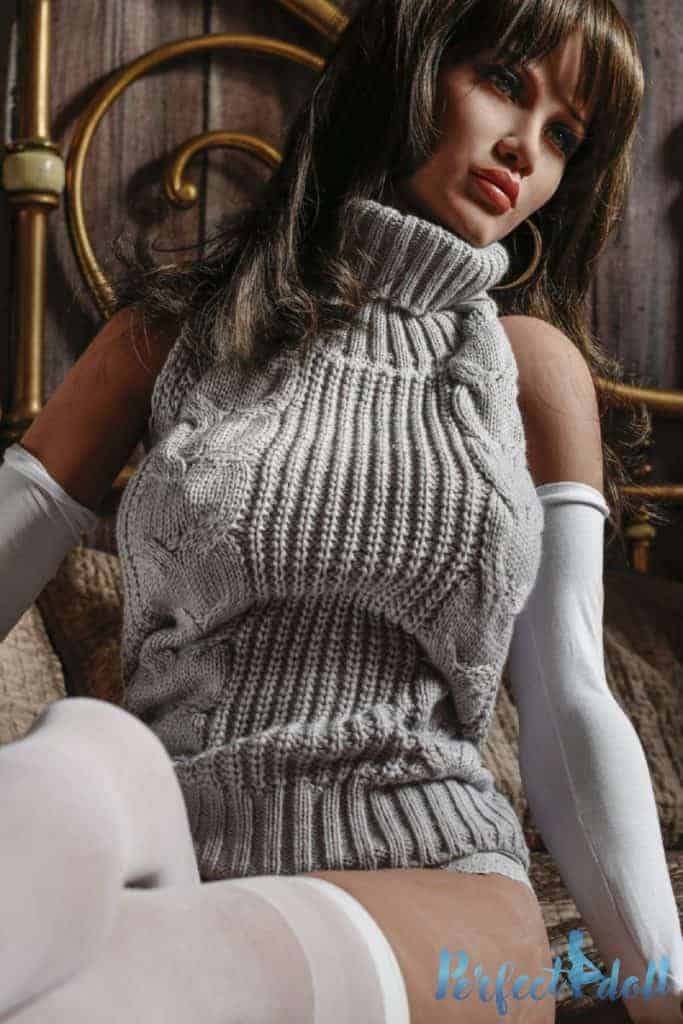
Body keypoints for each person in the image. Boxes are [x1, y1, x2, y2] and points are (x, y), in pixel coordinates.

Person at [0, 0, 681, 1021]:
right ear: (406, 67)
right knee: (86, 752)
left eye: (562, 137)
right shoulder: (177, 332)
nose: (523, 148)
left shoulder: (529, 370)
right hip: (173, 833)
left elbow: (569, 698)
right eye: (503, 82)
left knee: (130, 968)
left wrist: (660, 985)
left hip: (436, 889)